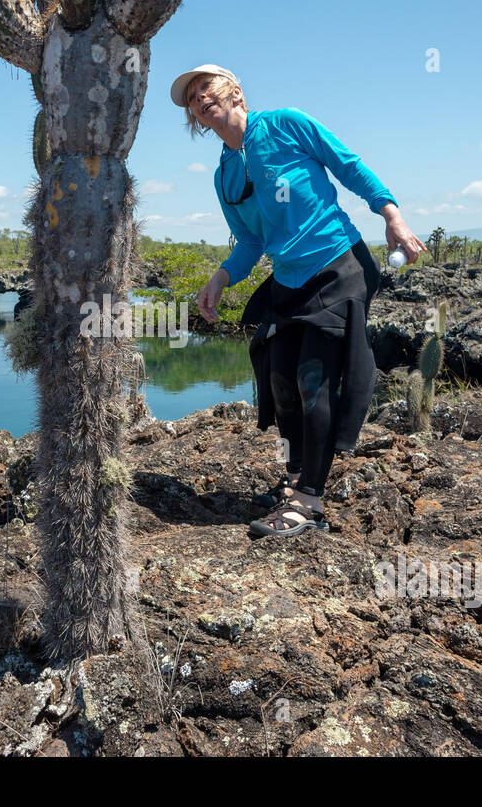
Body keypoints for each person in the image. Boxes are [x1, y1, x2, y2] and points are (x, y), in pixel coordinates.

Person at [170, 63, 426, 537]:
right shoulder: (225, 173)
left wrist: (392, 217)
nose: (199, 99)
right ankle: (293, 481)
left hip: (338, 264)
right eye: (191, 99)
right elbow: (249, 241)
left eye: (206, 88)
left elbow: (348, 165)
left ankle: (309, 502)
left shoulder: (285, 123)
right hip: (287, 279)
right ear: (195, 118)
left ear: (234, 92)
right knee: (280, 378)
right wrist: (221, 278)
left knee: (315, 380)